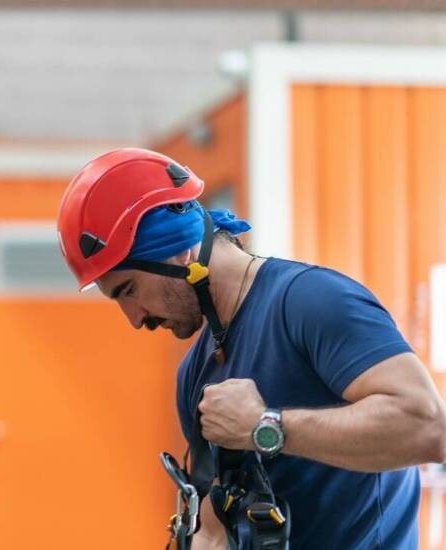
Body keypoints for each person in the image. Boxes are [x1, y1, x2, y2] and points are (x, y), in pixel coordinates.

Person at [56, 148, 446, 549]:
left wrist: (266, 427)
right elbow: (212, 530)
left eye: (129, 290)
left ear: (177, 251)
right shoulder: (195, 374)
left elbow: (428, 426)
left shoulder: (311, 302)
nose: (134, 318)